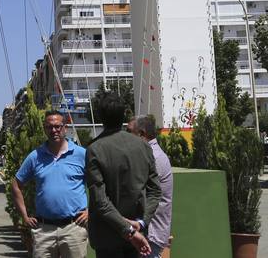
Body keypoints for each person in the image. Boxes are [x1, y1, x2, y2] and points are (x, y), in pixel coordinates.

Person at [84, 90, 159, 258]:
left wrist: (129, 231)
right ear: (124, 114)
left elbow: (100, 201)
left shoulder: (94, 149)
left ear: (100, 117)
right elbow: (155, 191)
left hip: (108, 238)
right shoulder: (144, 146)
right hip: (137, 235)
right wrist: (141, 223)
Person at [10, 110, 89, 258]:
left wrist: (90, 211)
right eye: (49, 127)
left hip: (74, 229)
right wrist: (25, 217)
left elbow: (98, 185)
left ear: (65, 127)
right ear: (45, 129)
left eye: (58, 126)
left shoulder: (81, 154)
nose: (54, 130)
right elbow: (15, 185)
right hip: (44, 230)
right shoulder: (35, 156)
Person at [130, 116, 173, 258]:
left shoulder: (153, 157)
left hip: (150, 233)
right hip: (147, 231)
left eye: (129, 132)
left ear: (141, 134)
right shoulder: (150, 155)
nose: (125, 137)